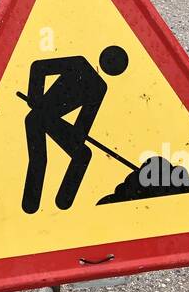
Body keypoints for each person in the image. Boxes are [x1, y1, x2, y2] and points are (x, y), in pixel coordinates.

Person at [19, 46, 128, 213]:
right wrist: (34, 97)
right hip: (37, 118)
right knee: (39, 159)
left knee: (83, 154)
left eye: (116, 63)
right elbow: (39, 67)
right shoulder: (79, 63)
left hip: (52, 121)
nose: (111, 64)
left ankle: (63, 202)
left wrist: (78, 136)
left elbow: (85, 120)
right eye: (111, 60)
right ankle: (31, 204)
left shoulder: (100, 87)